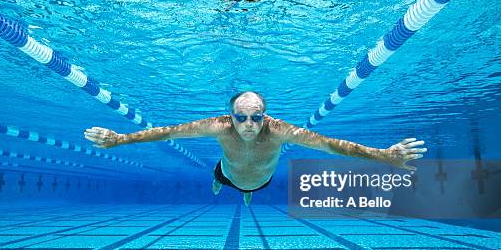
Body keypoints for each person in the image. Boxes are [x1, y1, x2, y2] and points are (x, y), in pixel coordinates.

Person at [84, 91, 426, 206]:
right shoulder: (217, 126)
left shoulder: (279, 130)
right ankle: (219, 183)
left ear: (266, 116)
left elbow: (331, 145)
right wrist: (121, 139)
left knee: (250, 191)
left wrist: (383, 156)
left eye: (256, 117)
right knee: (219, 179)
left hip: (259, 180)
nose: (248, 125)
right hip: (227, 171)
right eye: (241, 117)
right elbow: (168, 132)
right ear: (231, 116)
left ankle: (245, 193)